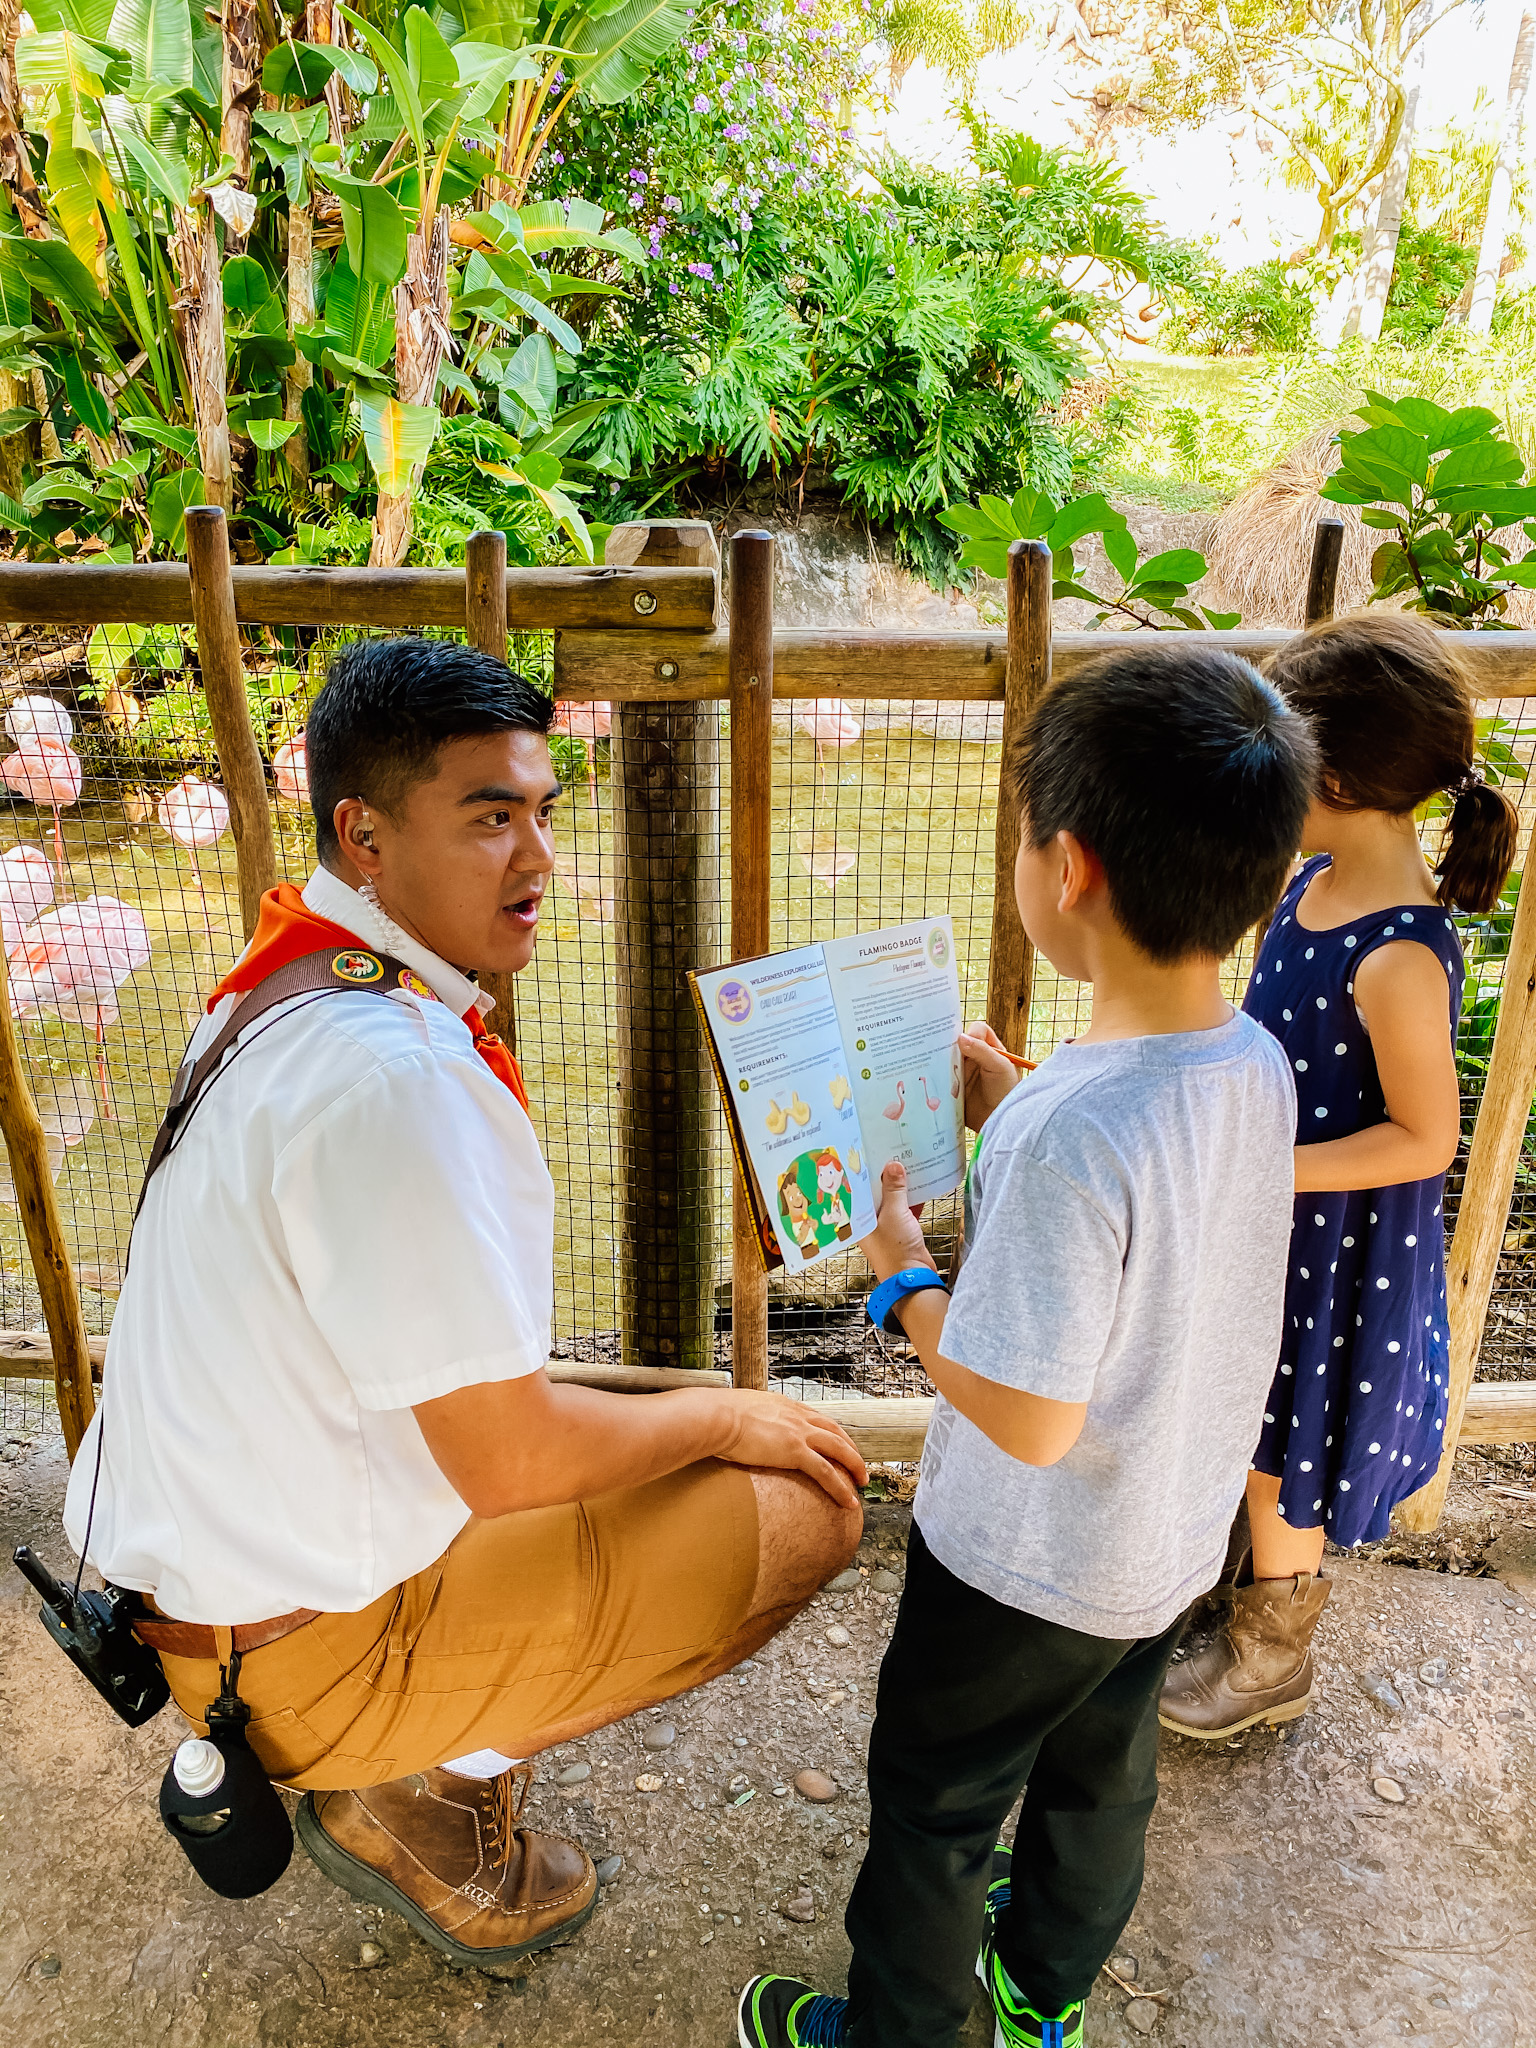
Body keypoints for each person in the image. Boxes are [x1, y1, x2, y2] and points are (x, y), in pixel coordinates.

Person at [63, 638, 865, 1970]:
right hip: (278, 1659)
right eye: (491, 819)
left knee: (666, 1443)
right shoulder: (399, 1077)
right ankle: (411, 1795)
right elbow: (509, 1458)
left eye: (542, 812)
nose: (540, 861)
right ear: (362, 834)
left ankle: (426, 1740)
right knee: (807, 1508)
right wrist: (727, 1414)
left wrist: (695, 1421)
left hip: (198, 1585)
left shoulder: (286, 981)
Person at [737, 643, 1317, 2048]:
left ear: (1067, 870)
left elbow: (1032, 1415)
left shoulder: (1072, 1129)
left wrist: (900, 1285)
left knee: (936, 1804)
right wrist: (1015, 1103)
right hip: (1161, 1544)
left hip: (1020, 1565)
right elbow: (1151, 1218)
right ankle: (1044, 1990)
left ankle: (902, 2033)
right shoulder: (1253, 1064)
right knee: (1100, 1782)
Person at [1161, 613, 1519, 1741]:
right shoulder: (1310, 876)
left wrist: (1270, 1163)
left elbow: (1425, 1137)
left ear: (1343, 776)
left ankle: (1272, 1659)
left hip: (1335, 1249)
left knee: (1287, 1442)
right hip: (1282, 1220)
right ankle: (1239, 1592)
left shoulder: (1400, 948)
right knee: (1251, 1411)